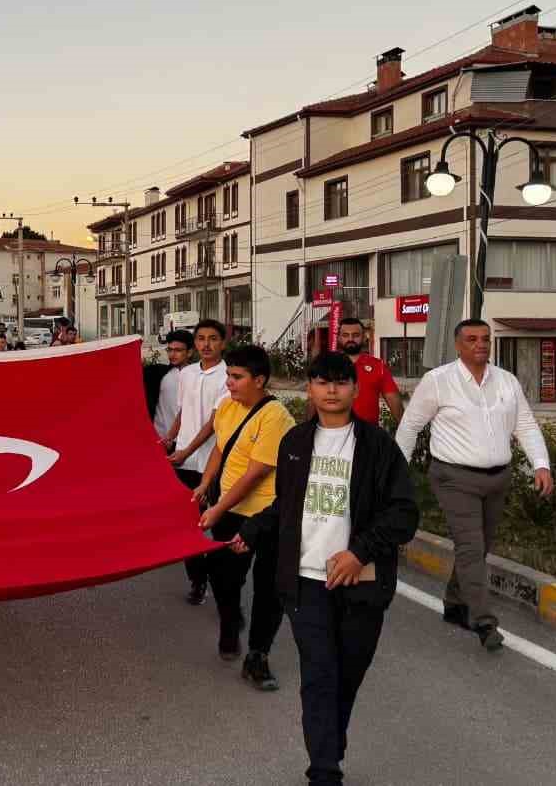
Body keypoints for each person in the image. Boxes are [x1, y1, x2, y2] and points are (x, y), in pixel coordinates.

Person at [234, 351, 420, 785]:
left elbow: (403, 513)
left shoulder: (378, 447)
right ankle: (323, 769)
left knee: (347, 674)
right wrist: (257, 528)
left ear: (355, 390)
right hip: (305, 582)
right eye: (322, 382)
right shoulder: (296, 443)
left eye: (340, 383)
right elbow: (287, 504)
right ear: (310, 389)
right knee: (319, 674)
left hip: (362, 584)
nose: (331, 391)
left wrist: (359, 552)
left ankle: (329, 744)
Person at [395, 318, 554, 650]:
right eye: (472, 339)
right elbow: (410, 426)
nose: (480, 344)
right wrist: (397, 472)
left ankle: (455, 603)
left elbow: (525, 424)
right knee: (470, 547)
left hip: (498, 478)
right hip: (454, 477)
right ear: (458, 345)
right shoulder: (438, 381)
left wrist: (541, 465)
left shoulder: (507, 381)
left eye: (485, 339)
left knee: (479, 548)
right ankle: (483, 621)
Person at [194, 344, 295, 688]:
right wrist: (205, 485)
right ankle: (229, 623)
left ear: (260, 380)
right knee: (223, 579)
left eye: (237, 377)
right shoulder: (227, 408)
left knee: (270, 588)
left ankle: (258, 656)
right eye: (228, 376)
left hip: (266, 516)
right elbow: (221, 449)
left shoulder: (275, 417)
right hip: (229, 511)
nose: (229, 384)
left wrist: (216, 508)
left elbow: (255, 473)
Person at [167, 319, 230, 606]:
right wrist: (170, 438)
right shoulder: (187, 374)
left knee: (212, 524)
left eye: (213, 338)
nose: (206, 344)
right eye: (201, 338)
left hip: (210, 464)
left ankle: (221, 584)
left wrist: (187, 449)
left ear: (223, 343)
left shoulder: (228, 376)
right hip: (183, 462)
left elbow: (215, 423)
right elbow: (183, 412)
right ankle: (198, 579)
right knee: (185, 525)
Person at [336, 320, 404, 426]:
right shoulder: (327, 365)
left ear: (364, 338)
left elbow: (393, 400)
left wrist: (405, 431)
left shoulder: (378, 366)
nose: (350, 339)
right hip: (334, 435)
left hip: (368, 437)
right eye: (345, 335)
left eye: (356, 335)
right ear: (339, 338)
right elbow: (313, 400)